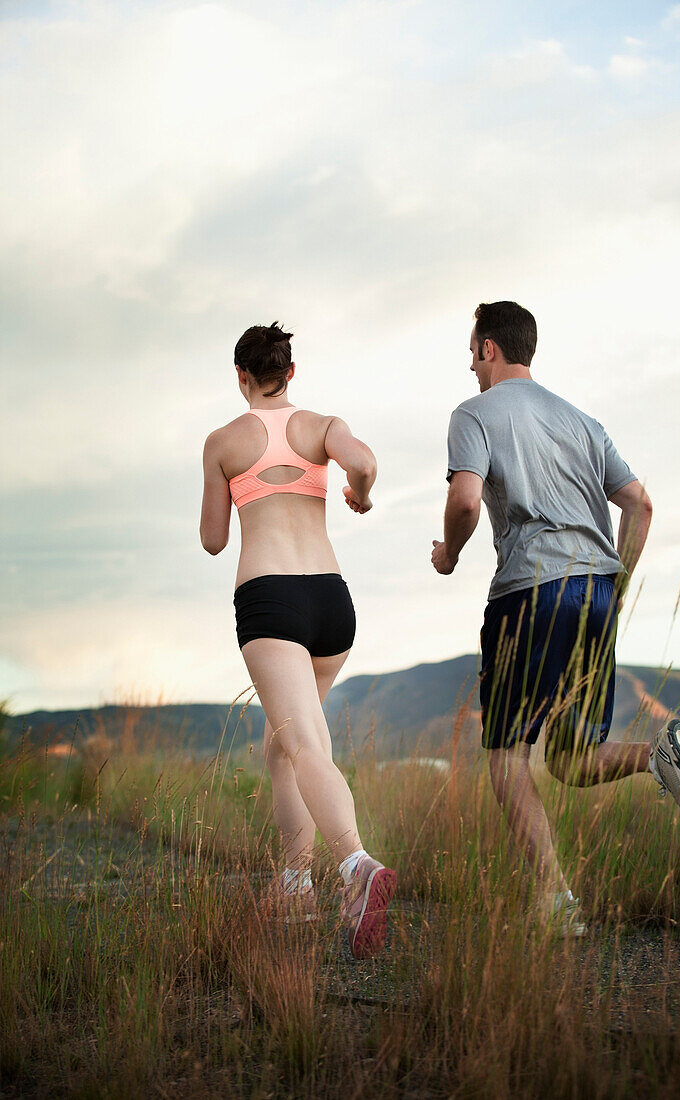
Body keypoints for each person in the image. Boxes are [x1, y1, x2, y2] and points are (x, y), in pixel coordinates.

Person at [431, 301, 680, 934]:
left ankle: (556, 903)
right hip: (594, 591)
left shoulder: (473, 414)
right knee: (567, 757)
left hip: (529, 591)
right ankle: (656, 757)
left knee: (507, 759)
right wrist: (615, 585)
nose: (470, 365)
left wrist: (448, 553)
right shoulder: (584, 422)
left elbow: (465, 498)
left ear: (487, 350)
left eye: (470, 351)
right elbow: (640, 505)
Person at [200, 321, 396, 958]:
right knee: (283, 747)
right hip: (330, 603)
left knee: (303, 744)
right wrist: (358, 497)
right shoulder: (321, 425)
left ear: (241, 377)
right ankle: (294, 887)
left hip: (271, 601)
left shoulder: (223, 441)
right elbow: (364, 462)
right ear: (290, 374)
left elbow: (213, 539)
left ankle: (355, 869)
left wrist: (239, 487)